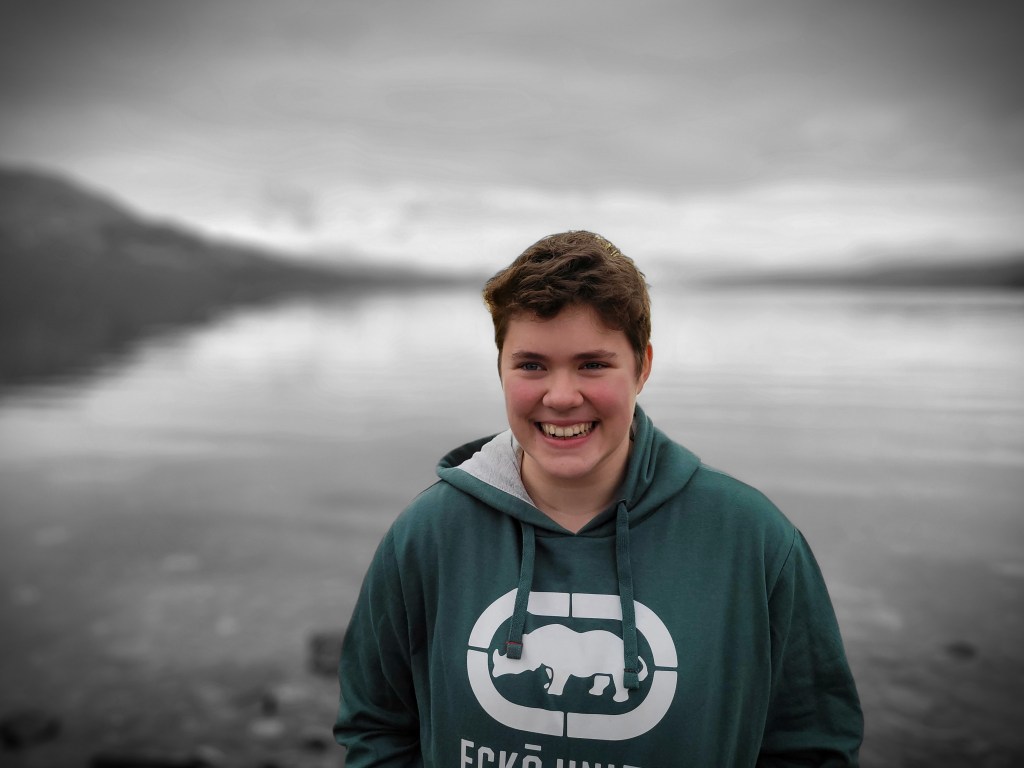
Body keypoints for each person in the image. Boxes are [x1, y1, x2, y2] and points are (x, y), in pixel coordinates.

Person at [334, 231, 863, 767]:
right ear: (500, 369)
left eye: (592, 364)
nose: (562, 397)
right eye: (531, 365)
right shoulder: (427, 535)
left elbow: (812, 747)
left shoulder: (754, 541)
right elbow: (377, 727)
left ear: (642, 367)